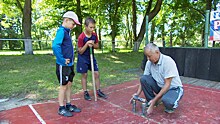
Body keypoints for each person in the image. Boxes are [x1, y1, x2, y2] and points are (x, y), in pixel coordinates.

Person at [131, 43, 184, 114]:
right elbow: (143, 79)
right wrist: (137, 94)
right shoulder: (149, 62)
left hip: (173, 88)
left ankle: (163, 101)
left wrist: (154, 101)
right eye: (146, 56)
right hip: (160, 86)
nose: (148, 59)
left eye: (149, 56)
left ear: (157, 52)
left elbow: (167, 85)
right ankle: (152, 101)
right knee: (144, 79)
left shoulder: (168, 61)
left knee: (168, 102)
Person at [52, 11, 81, 117]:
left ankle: (68, 105)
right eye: (73, 24)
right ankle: (61, 108)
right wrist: (62, 59)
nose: (73, 26)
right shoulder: (61, 31)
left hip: (70, 65)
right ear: (66, 20)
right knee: (63, 86)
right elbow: (55, 46)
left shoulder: (67, 32)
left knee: (69, 84)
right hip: (63, 65)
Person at [77, 17, 107, 101]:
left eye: (93, 27)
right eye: (90, 27)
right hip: (83, 58)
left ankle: (98, 90)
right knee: (84, 75)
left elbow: (97, 46)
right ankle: (85, 92)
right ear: (85, 26)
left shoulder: (94, 35)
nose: (92, 29)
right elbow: (80, 51)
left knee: (96, 73)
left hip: (91, 57)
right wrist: (86, 44)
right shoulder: (81, 37)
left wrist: (92, 45)